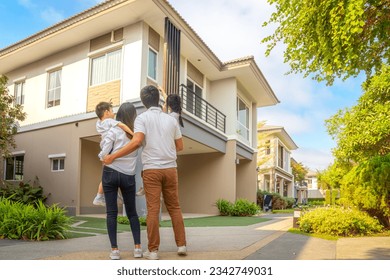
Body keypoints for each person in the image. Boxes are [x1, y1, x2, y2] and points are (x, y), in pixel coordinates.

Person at [103, 85, 187, 260]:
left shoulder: (142, 119)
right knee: (175, 207)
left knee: (153, 209)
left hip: (152, 171)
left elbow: (136, 142)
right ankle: (181, 245)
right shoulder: (171, 120)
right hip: (171, 169)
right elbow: (180, 146)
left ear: (143, 101)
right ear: (158, 99)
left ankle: (153, 251)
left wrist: (113, 156)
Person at [99, 102, 142, 260]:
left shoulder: (113, 131)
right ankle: (137, 248)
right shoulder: (136, 134)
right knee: (132, 213)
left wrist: (105, 156)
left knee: (111, 213)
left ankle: (115, 250)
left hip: (110, 173)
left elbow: (104, 153)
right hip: (128, 176)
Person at [93, 102, 144, 206]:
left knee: (106, 177)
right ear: (106, 112)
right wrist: (134, 135)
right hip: (108, 146)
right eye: (112, 111)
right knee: (106, 163)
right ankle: (99, 197)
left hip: (106, 144)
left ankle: (104, 195)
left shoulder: (99, 122)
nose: (113, 113)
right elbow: (122, 125)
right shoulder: (110, 122)